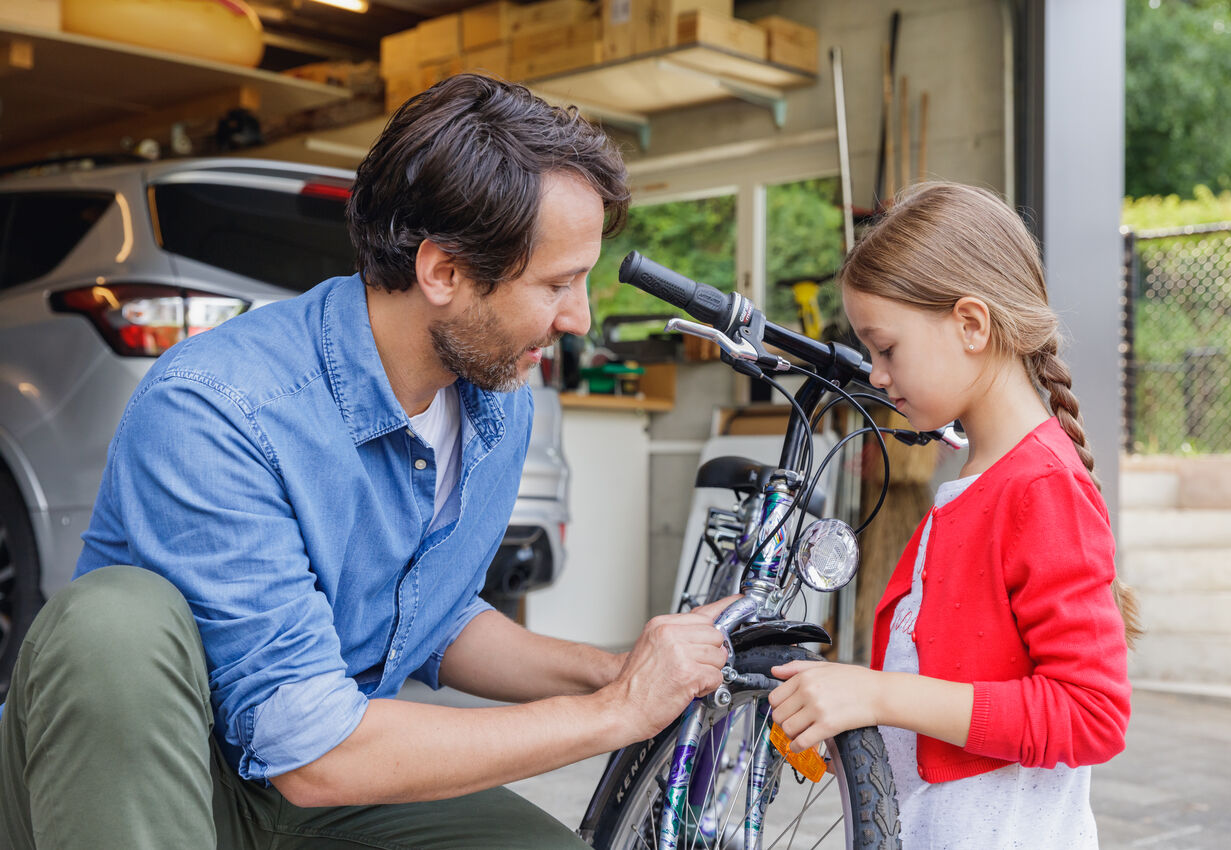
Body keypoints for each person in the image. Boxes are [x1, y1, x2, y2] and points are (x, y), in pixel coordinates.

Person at [0, 74, 731, 849]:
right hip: (158, 778)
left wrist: (615, 670)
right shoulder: (217, 404)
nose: (579, 318)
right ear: (443, 272)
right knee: (115, 621)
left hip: (314, 786)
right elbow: (313, 752)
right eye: (557, 283)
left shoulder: (493, 398)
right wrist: (613, 715)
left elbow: (433, 617)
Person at [768, 181, 1139, 848]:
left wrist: (878, 696)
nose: (876, 375)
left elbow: (1091, 714)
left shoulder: (1038, 487)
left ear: (971, 324)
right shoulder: (977, 477)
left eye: (887, 348)